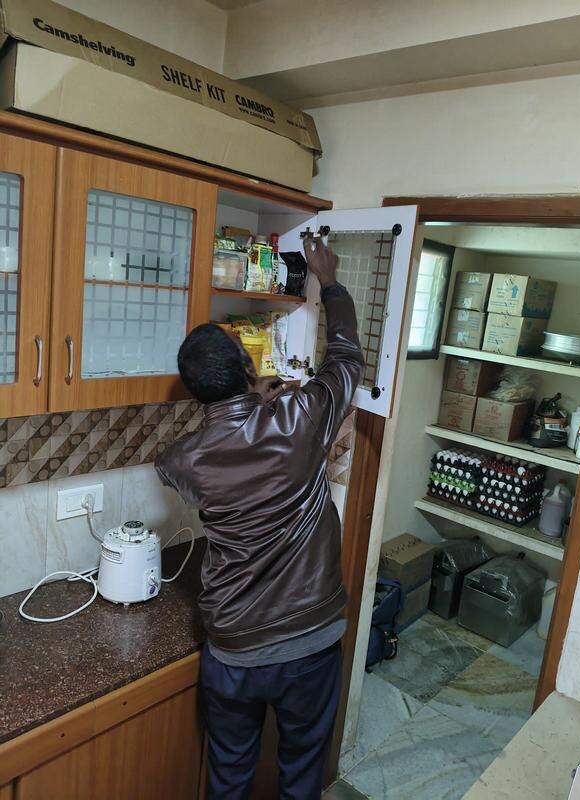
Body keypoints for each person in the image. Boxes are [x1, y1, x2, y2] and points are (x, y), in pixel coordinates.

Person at [156, 237, 364, 800]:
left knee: (228, 778)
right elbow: (347, 360)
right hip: (310, 643)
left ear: (195, 391)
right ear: (250, 366)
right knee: (301, 774)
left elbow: (185, 460)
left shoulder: (182, 461)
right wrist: (330, 282)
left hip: (232, 649)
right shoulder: (301, 417)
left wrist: (250, 402)